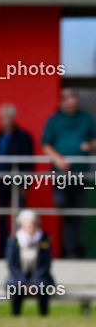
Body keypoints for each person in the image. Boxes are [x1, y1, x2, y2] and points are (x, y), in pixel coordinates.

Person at [40, 88, 96, 258]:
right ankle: (69, 246)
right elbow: (45, 145)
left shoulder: (85, 119)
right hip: (60, 174)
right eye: (68, 99)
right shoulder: (54, 121)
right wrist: (58, 160)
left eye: (74, 99)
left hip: (81, 173)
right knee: (62, 203)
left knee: (77, 211)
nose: (72, 102)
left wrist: (89, 146)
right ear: (61, 101)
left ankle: (70, 249)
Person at [0, 104, 35, 258]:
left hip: (17, 182)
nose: (2, 121)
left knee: (20, 217)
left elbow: (28, 163)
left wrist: (25, 184)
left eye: (5, 117)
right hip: (0, 182)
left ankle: (19, 249)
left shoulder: (23, 137)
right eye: (0, 118)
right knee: (1, 217)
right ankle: (2, 249)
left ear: (13, 118)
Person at [6, 210, 55, 316]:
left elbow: (46, 264)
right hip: (18, 277)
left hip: (40, 277)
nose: (29, 227)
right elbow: (11, 264)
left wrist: (33, 281)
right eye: (26, 225)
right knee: (16, 286)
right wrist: (24, 281)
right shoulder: (13, 241)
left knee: (42, 286)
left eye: (31, 225)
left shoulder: (44, 239)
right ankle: (15, 315)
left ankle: (43, 315)